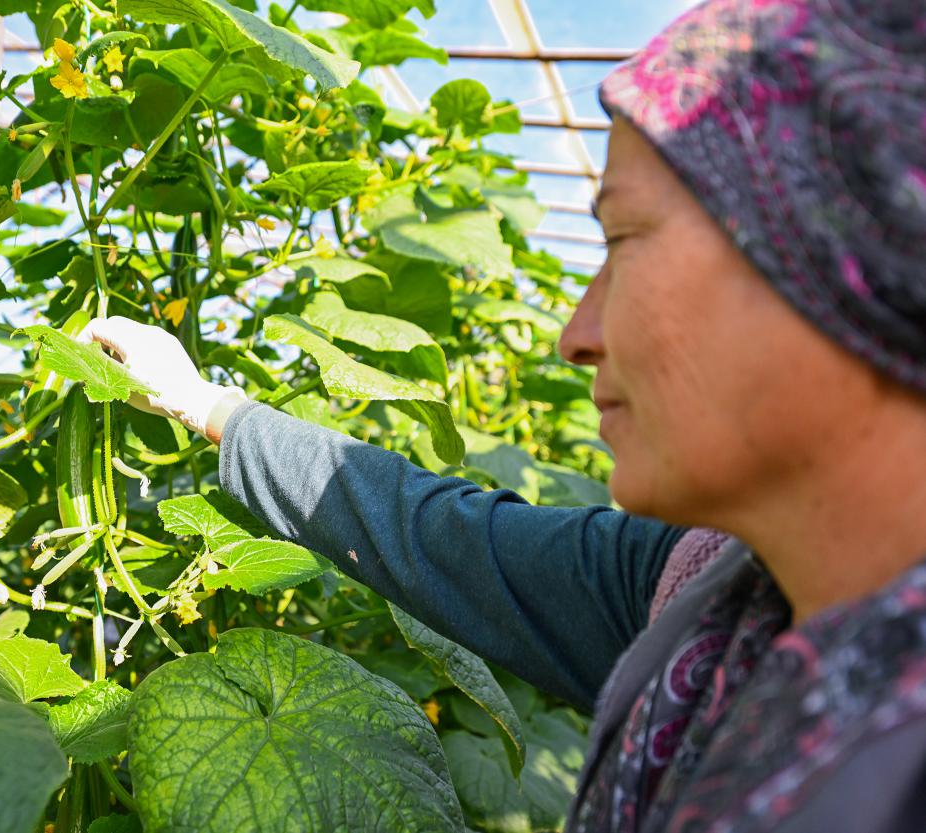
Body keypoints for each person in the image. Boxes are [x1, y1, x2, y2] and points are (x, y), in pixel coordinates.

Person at [81, 0, 926, 829]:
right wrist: (204, 402)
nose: (575, 335)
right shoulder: (704, 581)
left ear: (849, 258)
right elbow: (442, 535)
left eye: (624, 239)